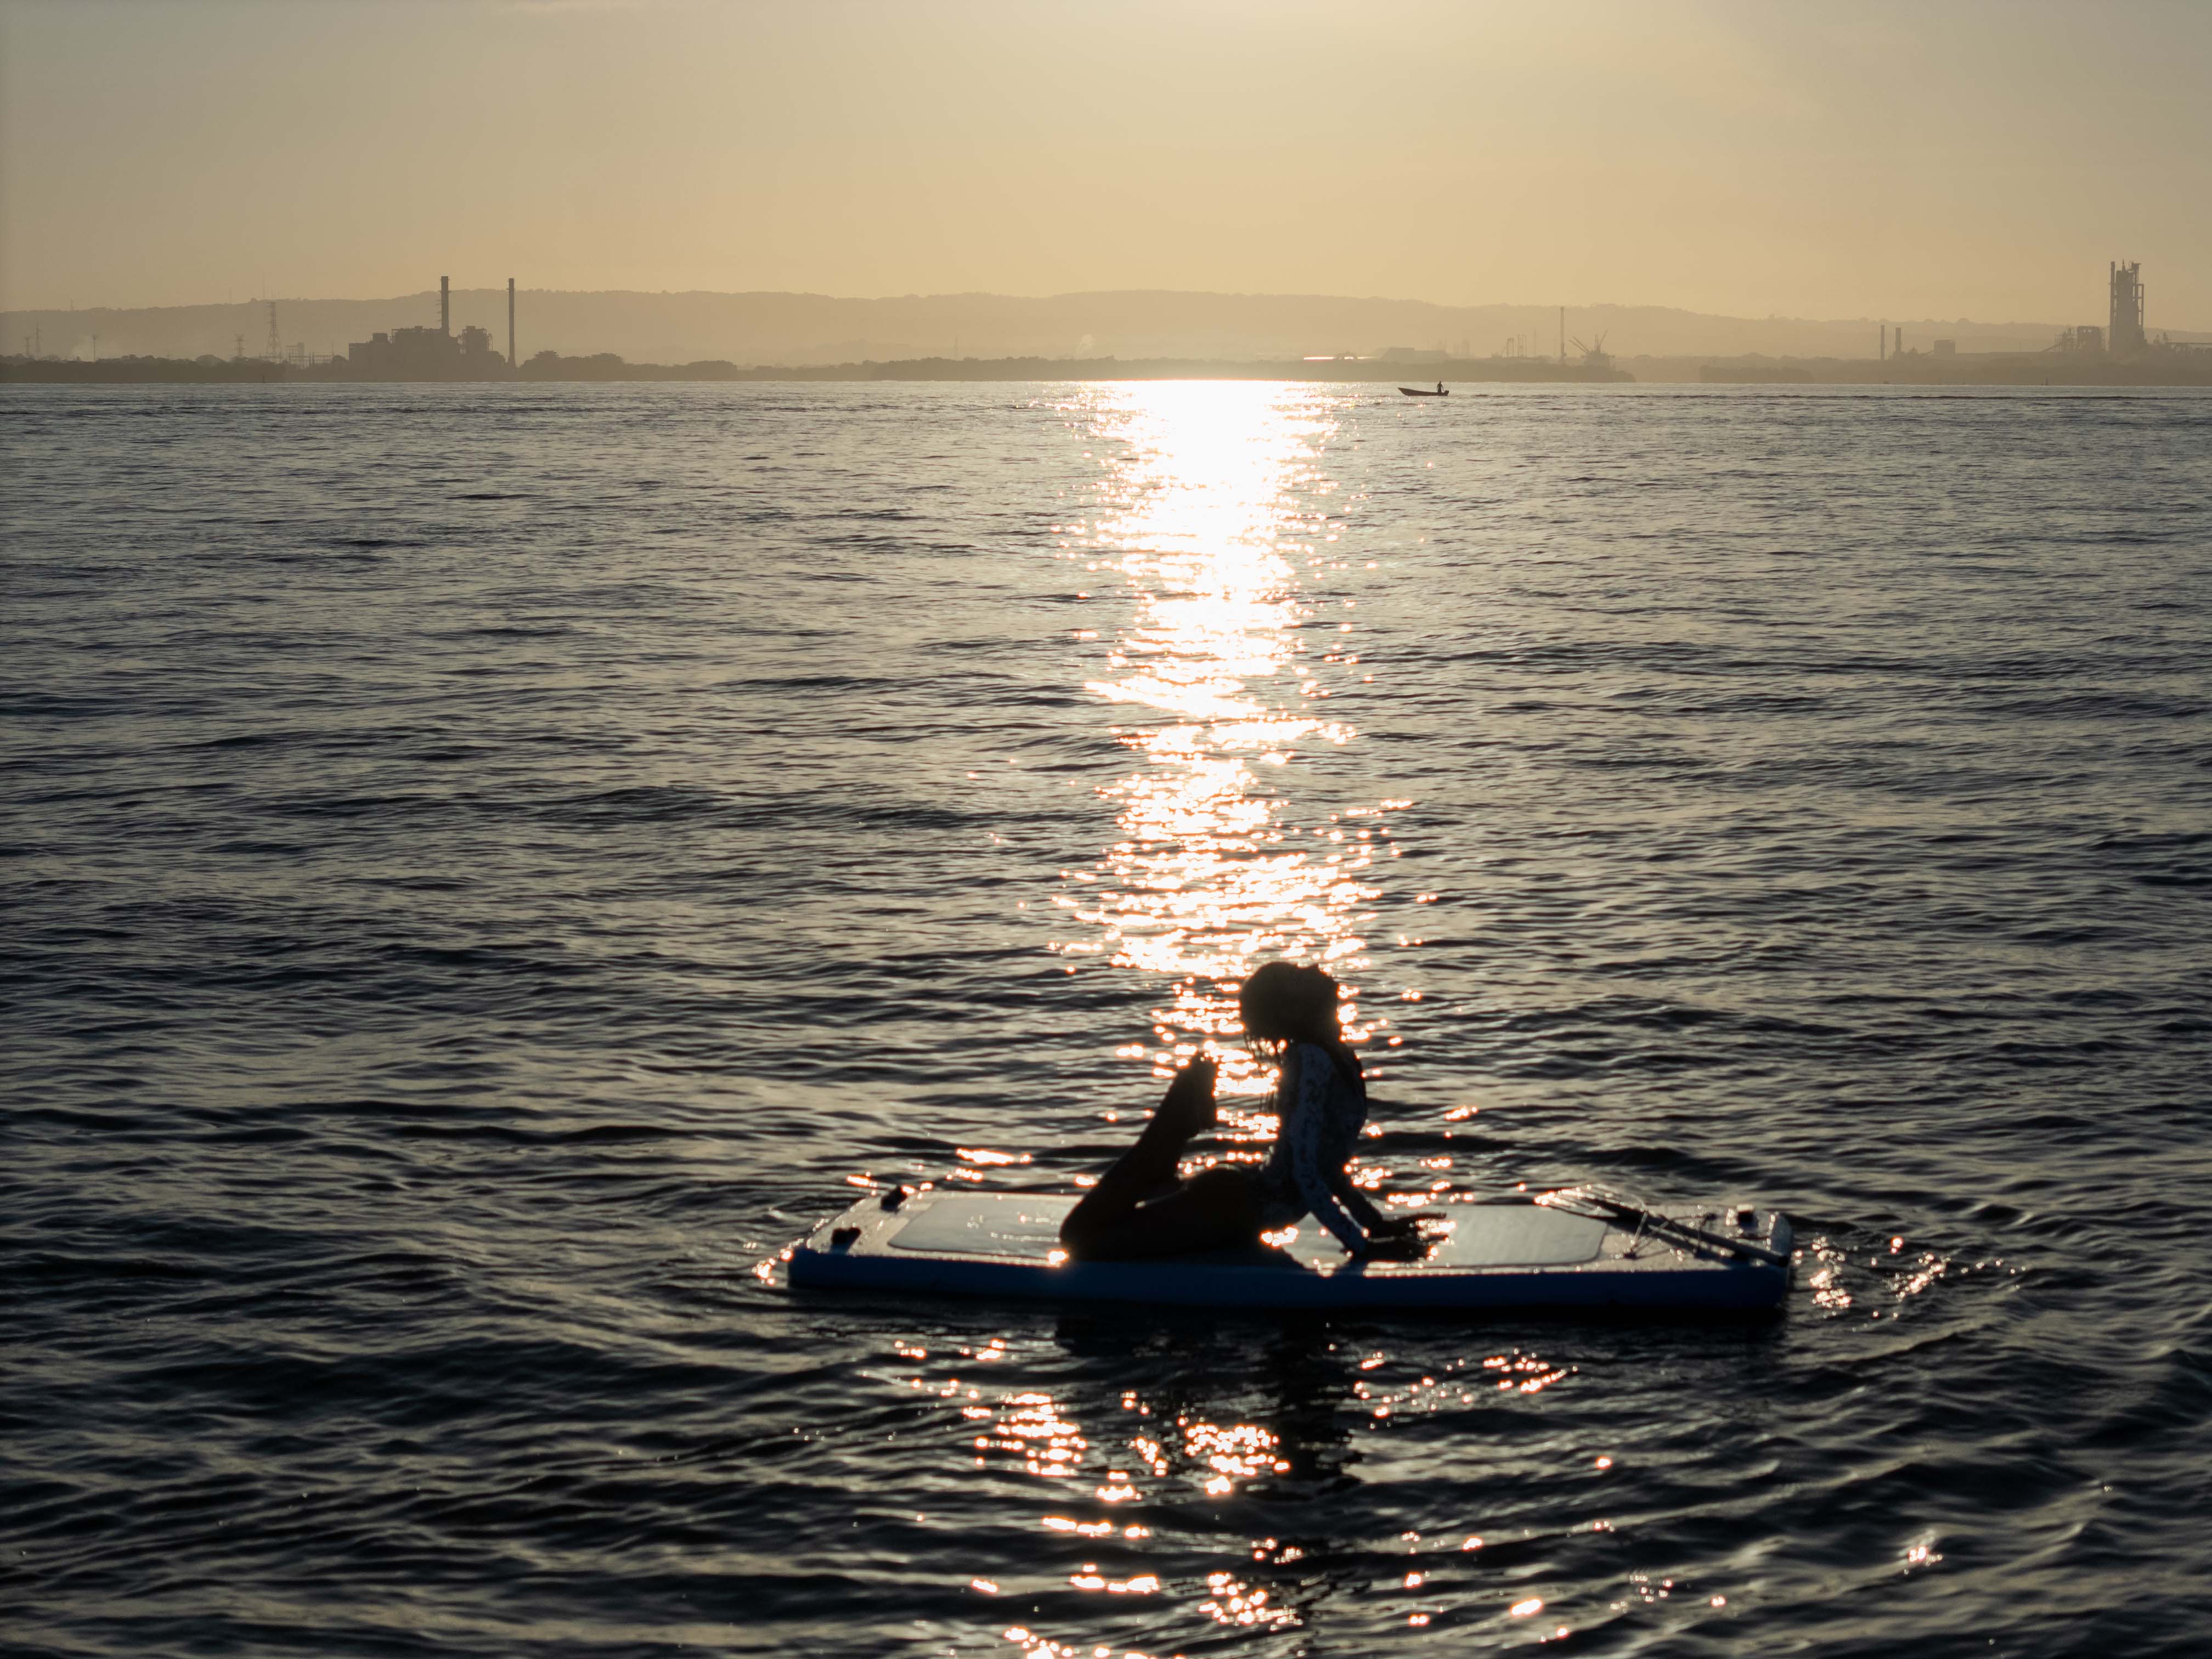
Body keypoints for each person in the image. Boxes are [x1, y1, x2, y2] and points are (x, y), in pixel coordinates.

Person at [1058, 961, 1434, 1261]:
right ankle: (1177, 1116)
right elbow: (1305, 1173)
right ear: (1292, 1009)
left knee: (1091, 1235)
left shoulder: (1339, 1056)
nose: (1314, 969)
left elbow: (1325, 1166)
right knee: (1079, 1239)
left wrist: (1374, 1226)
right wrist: (1362, 1245)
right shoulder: (1310, 1059)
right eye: (1297, 976)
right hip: (1234, 1208)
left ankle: (1174, 1132)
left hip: (1238, 1201)